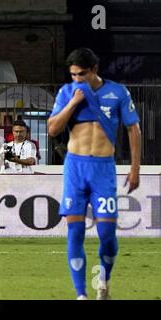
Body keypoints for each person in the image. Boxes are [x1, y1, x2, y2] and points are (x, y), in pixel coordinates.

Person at [47, 48, 141, 300]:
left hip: (103, 168)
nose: (77, 79)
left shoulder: (117, 92)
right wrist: (74, 102)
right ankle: (81, 295)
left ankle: (104, 281)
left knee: (107, 235)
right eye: (73, 74)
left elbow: (133, 129)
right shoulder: (67, 92)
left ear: (94, 70)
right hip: (75, 167)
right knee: (75, 232)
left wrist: (135, 170)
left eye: (82, 74)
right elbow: (53, 129)